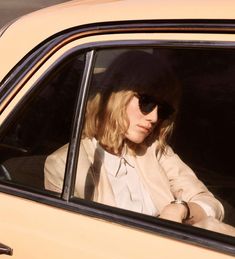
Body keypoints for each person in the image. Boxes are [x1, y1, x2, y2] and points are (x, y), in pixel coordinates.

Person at [44, 50, 233, 233]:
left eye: (163, 110)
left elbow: (212, 204)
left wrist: (180, 208)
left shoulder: (155, 150)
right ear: (116, 96)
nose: (154, 117)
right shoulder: (65, 165)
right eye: (147, 102)